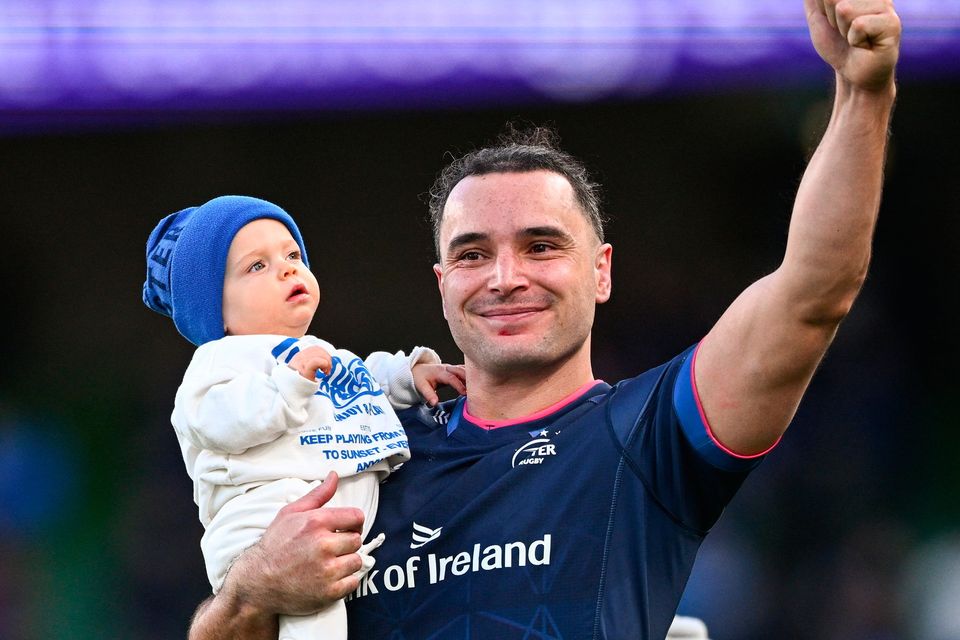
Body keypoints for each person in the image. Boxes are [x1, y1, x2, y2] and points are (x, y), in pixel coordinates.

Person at [187, 0, 902, 637]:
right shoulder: (362, 440)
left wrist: (861, 92)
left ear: (601, 271)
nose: (505, 277)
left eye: (541, 245)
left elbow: (814, 290)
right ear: (442, 285)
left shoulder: (648, 436)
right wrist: (253, 590)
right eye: (472, 254)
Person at [142, 195, 465, 640]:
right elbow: (213, 421)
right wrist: (287, 386)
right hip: (263, 526)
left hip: (326, 520)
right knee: (316, 621)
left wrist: (409, 374)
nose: (288, 268)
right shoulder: (219, 361)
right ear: (215, 310)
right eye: (257, 266)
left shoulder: (315, 352)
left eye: (292, 255)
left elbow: (360, 379)